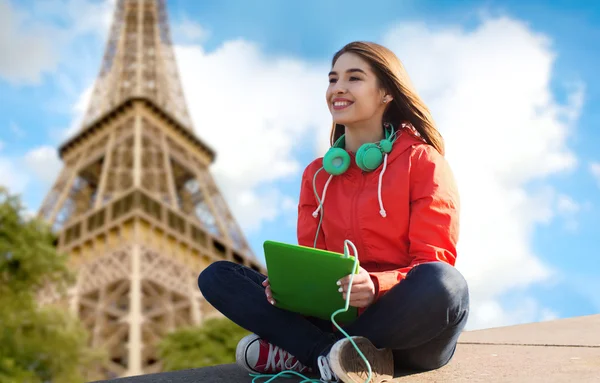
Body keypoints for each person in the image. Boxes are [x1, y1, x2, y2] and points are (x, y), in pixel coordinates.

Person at [197, 41, 469, 383]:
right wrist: (287, 289)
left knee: (446, 283)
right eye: (332, 79)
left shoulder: (423, 161)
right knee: (217, 275)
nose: (337, 88)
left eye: (354, 78)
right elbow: (316, 263)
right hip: (340, 314)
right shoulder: (317, 175)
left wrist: (375, 285)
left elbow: (433, 259)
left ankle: (308, 352)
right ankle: (329, 355)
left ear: (386, 93)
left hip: (407, 326)